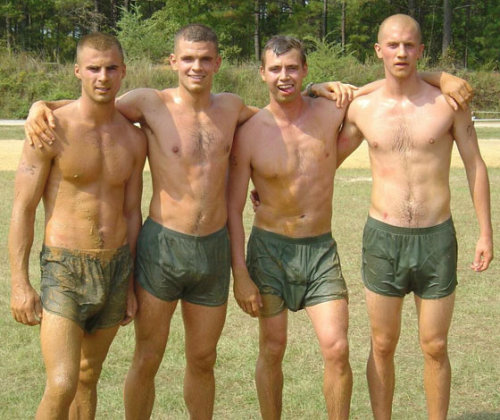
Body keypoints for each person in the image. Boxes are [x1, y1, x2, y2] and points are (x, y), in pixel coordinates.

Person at [336, 14, 493, 419]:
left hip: (436, 239)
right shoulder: (362, 108)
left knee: (435, 345)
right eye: (392, 45)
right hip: (383, 239)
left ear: (421, 50)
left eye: (409, 45)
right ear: (378, 51)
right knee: (382, 344)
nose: (401, 52)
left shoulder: (448, 102)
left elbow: (475, 165)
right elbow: (323, 162)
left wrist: (485, 234)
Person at [8, 33, 147, 419]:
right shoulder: (51, 129)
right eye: (93, 68)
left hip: (115, 268)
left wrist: (131, 282)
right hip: (64, 268)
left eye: (111, 68)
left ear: (123, 72)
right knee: (63, 382)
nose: (102, 76)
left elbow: (132, 213)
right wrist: (20, 284)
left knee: (88, 376)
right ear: (77, 71)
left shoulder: (134, 140)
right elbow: (23, 207)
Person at [227, 35, 355, 420]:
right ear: (262, 73)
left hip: (320, 251)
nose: (285, 77)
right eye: (276, 69)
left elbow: (389, 91)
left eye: (293, 68)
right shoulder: (249, 131)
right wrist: (240, 275)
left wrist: (319, 89)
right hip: (269, 251)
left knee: (337, 348)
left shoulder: (330, 113)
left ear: (305, 71)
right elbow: (233, 209)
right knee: (272, 346)